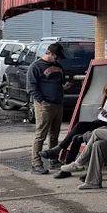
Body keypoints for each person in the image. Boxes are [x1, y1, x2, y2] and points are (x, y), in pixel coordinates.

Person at [42, 77, 107, 176]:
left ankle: (60, 150)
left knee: (80, 128)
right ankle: (65, 168)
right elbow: (105, 111)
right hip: (100, 120)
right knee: (76, 135)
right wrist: (103, 112)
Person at [29, 42, 65, 175]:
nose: (58, 59)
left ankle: (53, 160)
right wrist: (42, 101)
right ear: (49, 53)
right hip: (44, 105)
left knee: (54, 134)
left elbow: (60, 82)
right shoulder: (36, 67)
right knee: (41, 134)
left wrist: (64, 87)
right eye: (56, 57)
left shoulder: (58, 66)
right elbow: (31, 87)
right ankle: (36, 163)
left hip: (58, 103)